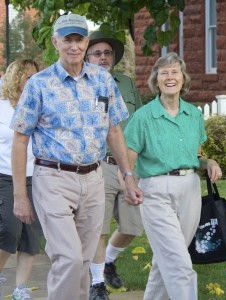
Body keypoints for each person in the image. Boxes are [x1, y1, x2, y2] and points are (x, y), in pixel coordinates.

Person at [10, 14, 143, 300]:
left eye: (79, 39)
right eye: (67, 39)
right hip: (53, 178)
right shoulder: (39, 84)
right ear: (56, 42)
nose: (74, 45)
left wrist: (128, 177)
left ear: (86, 42)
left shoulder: (103, 80)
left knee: (83, 260)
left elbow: (114, 131)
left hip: (94, 178)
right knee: (68, 257)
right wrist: (20, 196)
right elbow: (20, 140)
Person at [124, 52, 222, 300]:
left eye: (174, 72)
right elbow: (128, 159)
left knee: (166, 260)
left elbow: (194, 156)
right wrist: (129, 183)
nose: (170, 77)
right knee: (179, 264)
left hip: (189, 189)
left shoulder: (194, 115)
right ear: (156, 80)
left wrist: (209, 162)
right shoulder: (143, 117)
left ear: (183, 78)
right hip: (156, 191)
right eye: (164, 73)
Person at [85, 31, 144, 300]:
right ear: (87, 57)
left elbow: (141, 121)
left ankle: (107, 261)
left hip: (130, 166)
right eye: (97, 53)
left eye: (107, 53)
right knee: (99, 227)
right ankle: (97, 283)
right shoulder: (80, 84)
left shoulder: (126, 83)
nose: (103, 57)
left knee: (132, 226)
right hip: (98, 165)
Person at [0, 59, 42, 300]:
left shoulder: (39, 106)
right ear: (16, 79)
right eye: (28, 77)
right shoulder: (1, 106)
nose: (33, 81)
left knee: (31, 235)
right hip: (4, 176)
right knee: (9, 230)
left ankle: (20, 289)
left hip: (36, 177)